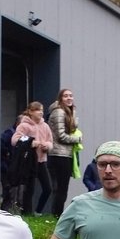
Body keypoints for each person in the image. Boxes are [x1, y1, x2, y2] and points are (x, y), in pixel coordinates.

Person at [10, 102, 54, 215]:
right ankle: (27, 214)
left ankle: (38, 211)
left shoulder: (45, 126)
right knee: (29, 189)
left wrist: (47, 146)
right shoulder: (24, 126)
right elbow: (15, 140)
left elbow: (50, 142)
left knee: (48, 188)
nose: (41, 112)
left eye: (42, 110)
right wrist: (32, 143)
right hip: (28, 162)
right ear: (30, 111)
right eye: (37, 110)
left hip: (41, 161)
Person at [46, 88, 82, 217]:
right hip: (58, 154)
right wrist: (77, 139)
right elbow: (61, 135)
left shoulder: (70, 112)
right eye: (65, 96)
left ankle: (57, 214)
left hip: (65, 154)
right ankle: (56, 215)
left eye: (71, 96)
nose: (69, 98)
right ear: (60, 98)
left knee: (62, 189)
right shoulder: (59, 112)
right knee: (60, 189)